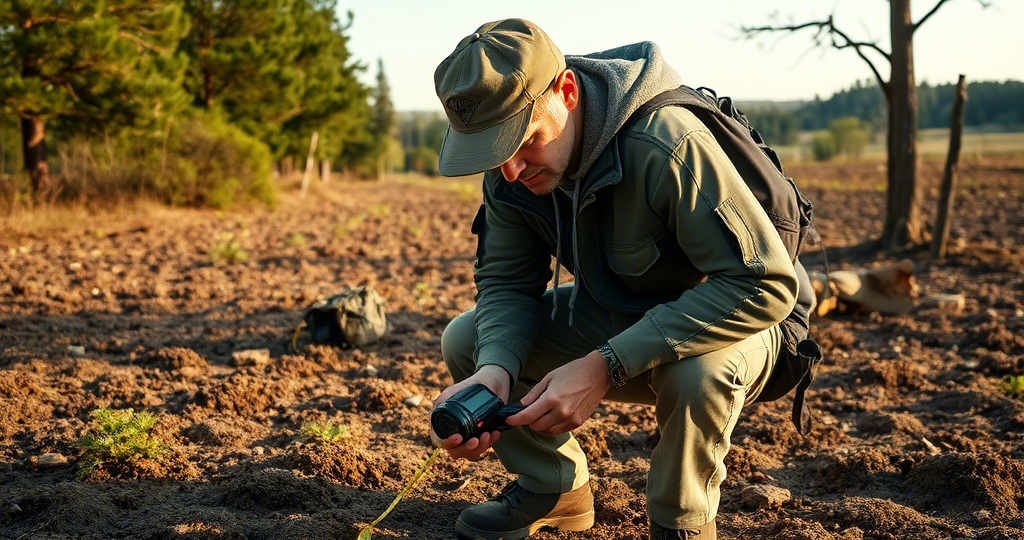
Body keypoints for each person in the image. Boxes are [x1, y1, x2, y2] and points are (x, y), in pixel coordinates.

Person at [430, 18, 811, 540]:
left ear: (566, 92)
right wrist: (495, 370)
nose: (511, 170)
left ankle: (681, 523)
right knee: (469, 340)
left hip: (747, 323)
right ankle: (554, 487)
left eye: (524, 141)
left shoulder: (665, 142)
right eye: (493, 152)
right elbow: (506, 282)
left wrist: (605, 365)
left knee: (694, 373)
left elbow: (763, 285)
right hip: (624, 308)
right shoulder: (509, 173)